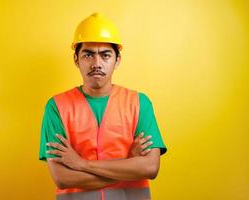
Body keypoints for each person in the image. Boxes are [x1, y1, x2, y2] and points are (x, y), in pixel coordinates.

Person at [39, 12, 167, 200]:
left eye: (105, 55)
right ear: (76, 59)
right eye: (88, 55)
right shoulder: (56, 107)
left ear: (117, 59)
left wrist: (81, 164)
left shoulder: (140, 103)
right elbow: (62, 177)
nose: (96, 63)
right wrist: (129, 165)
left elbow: (150, 167)